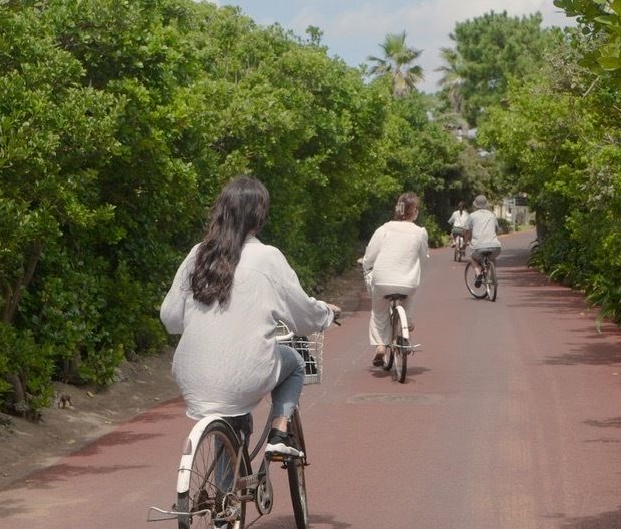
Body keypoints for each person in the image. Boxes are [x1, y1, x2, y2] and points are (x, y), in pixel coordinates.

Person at [160, 175, 337, 459]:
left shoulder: (198, 255)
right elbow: (304, 316)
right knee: (295, 363)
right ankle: (279, 433)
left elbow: (170, 319)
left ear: (220, 212)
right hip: (243, 377)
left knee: (229, 420)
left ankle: (223, 496)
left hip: (192, 377)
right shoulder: (267, 257)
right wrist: (326, 314)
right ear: (259, 216)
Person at [362, 193, 431, 369]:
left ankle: (380, 345)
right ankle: (406, 324)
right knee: (409, 296)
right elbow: (424, 257)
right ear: (414, 211)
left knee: (378, 312)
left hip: (383, 280)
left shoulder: (384, 229)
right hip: (408, 282)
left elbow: (370, 256)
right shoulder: (420, 232)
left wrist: (366, 265)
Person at [467, 193, 501, 276]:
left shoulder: (472, 216)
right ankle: (492, 275)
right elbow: (497, 229)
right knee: (492, 259)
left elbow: (466, 230)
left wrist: (468, 240)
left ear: (475, 205)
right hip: (495, 247)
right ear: (486, 204)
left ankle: (478, 272)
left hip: (478, 247)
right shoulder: (492, 215)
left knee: (471, 257)